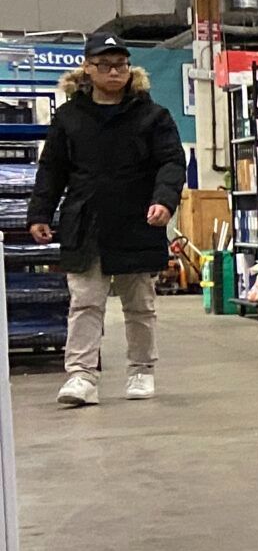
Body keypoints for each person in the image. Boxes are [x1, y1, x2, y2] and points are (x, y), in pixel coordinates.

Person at [28, 37, 185, 407]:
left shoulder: (153, 116)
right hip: (86, 224)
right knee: (84, 303)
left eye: (120, 64)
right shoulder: (69, 117)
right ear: (87, 68)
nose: (114, 71)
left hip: (138, 221)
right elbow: (52, 169)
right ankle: (81, 376)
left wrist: (164, 200)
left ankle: (141, 369)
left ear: (130, 69)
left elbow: (171, 162)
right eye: (105, 64)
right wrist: (39, 212)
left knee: (140, 305)